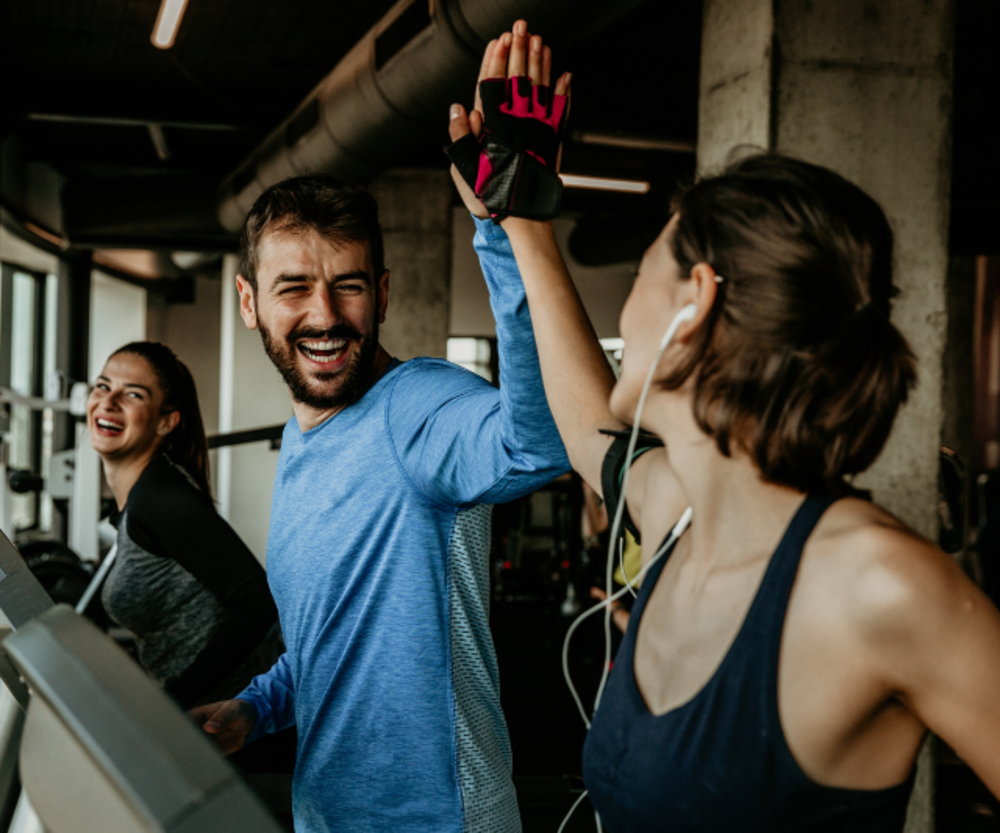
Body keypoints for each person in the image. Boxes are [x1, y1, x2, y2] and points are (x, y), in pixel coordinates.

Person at [445, 33, 1000, 831]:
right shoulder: (678, 510)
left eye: (640, 276)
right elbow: (582, 427)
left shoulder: (880, 583)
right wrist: (521, 222)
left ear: (693, 300)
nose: (625, 316)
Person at [188, 27, 571, 832]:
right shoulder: (305, 437)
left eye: (348, 285)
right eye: (294, 287)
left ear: (384, 293)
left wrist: (507, 232)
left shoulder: (417, 407)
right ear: (250, 303)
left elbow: (538, 443)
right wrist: (255, 710)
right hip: (325, 814)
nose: (325, 316)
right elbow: (331, 644)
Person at [88, 341, 278, 710]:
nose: (108, 402)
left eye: (133, 394)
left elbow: (256, 601)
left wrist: (172, 705)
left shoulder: (159, 498)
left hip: (230, 721)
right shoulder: (139, 499)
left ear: (166, 421)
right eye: (102, 385)